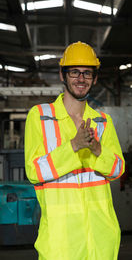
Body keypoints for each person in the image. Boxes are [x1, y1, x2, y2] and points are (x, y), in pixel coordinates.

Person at [24, 41, 125, 259]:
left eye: (87, 73)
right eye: (74, 72)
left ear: (95, 78)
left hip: (101, 238)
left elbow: (118, 169)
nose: (81, 79)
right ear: (63, 75)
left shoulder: (102, 121)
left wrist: (97, 149)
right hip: (61, 242)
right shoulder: (40, 116)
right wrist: (74, 146)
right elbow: (34, 172)